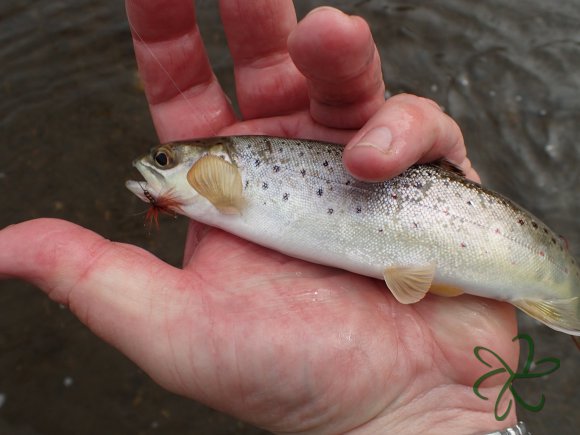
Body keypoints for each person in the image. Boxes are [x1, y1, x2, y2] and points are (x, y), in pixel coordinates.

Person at [0, 1, 523, 433]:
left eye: (164, 161)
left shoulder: (224, 185)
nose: (152, 168)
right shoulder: (220, 202)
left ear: (213, 169)